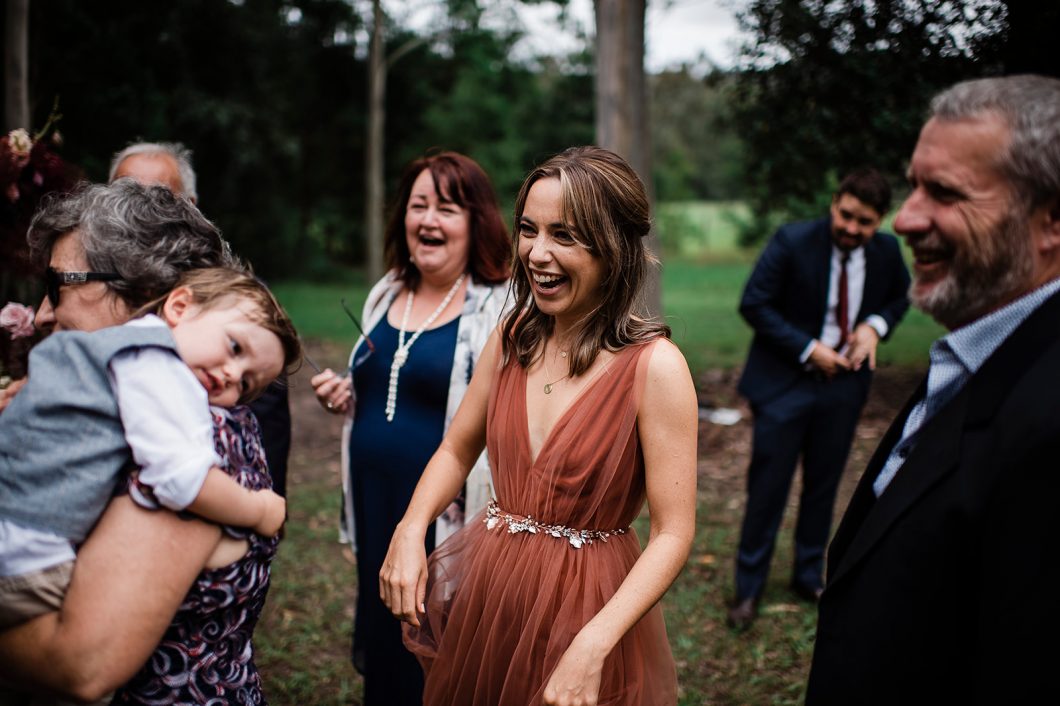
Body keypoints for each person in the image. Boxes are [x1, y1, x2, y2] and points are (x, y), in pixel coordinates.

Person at [380, 146, 698, 705]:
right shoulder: (511, 337)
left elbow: (673, 532)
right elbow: (456, 448)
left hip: (592, 605)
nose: (537, 253)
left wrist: (595, 640)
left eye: (565, 236)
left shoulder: (656, 368)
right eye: (529, 230)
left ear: (615, 247)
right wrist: (411, 527)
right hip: (496, 589)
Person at [806, 75, 1060, 705]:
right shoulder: (979, 349)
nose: (905, 218)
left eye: (944, 193)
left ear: (1051, 221)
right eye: (915, 184)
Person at [0, 181, 282, 703]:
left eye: (57, 282)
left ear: (138, 291)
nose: (42, 312)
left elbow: (80, 667)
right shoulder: (122, 410)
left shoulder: (195, 440)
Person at [311, 151, 511, 704]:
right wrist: (348, 395)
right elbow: (384, 384)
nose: (427, 220)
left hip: (448, 512)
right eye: (418, 205)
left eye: (446, 208)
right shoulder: (386, 292)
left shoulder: (498, 310)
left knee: (438, 645)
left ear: (477, 221)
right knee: (385, 631)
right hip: (377, 501)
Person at [0, 267, 298, 633]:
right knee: (84, 658)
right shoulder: (163, 370)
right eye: (235, 347)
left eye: (248, 382)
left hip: (15, 531)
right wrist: (259, 510)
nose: (234, 374)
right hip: (32, 556)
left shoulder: (116, 342)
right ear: (180, 306)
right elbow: (182, 482)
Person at [727, 168, 911, 629]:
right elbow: (754, 303)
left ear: (880, 220)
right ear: (834, 202)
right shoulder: (792, 240)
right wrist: (810, 349)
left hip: (844, 389)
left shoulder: (888, 252)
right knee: (768, 489)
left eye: (864, 222)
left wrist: (874, 326)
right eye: (846, 215)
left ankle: (808, 576)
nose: (851, 228)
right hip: (785, 385)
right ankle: (748, 590)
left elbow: (900, 298)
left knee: (824, 486)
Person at [110, 140, 293, 496]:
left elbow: (265, 432)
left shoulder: (238, 301)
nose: (140, 210)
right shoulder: (89, 279)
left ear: (190, 207)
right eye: (126, 194)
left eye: (159, 197)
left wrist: (262, 509)